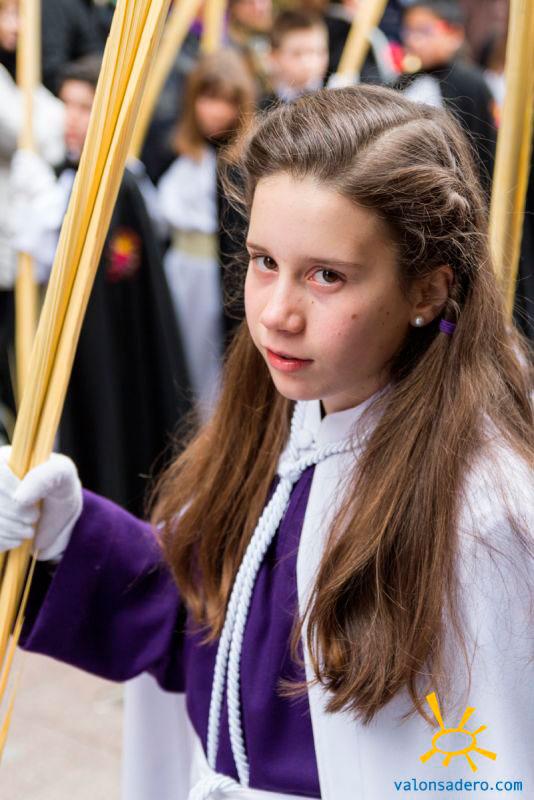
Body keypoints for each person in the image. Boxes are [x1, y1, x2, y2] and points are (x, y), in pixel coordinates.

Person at [1, 85, 533, 800]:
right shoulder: (292, 423)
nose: (277, 314)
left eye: (326, 276)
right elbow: (211, 631)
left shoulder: (486, 519)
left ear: (428, 292)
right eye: (263, 261)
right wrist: (64, 536)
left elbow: (484, 773)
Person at [9, 54, 192, 517]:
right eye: (67, 105)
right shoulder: (56, 177)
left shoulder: (121, 187)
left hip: (105, 349)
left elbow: (115, 272)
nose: (73, 120)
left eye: (86, 107)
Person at [156, 49, 255, 421]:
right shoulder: (170, 150)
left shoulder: (240, 163)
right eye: (208, 98)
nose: (216, 112)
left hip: (216, 283)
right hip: (175, 272)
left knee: (211, 370)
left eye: (228, 101)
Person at [0, 0, 64, 421]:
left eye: (19, 13)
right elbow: (18, 129)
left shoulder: (26, 81)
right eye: (5, 13)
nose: (14, 25)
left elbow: (54, 132)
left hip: (15, 248)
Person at [396, 0, 497, 193]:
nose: (413, 40)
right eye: (409, 31)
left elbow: (483, 149)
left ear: (454, 35)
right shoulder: (405, 81)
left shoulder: (470, 84)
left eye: (424, 31)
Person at [260, 9, 329, 109]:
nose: (309, 63)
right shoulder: (263, 108)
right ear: (274, 56)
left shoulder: (336, 95)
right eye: (297, 54)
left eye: (317, 52)